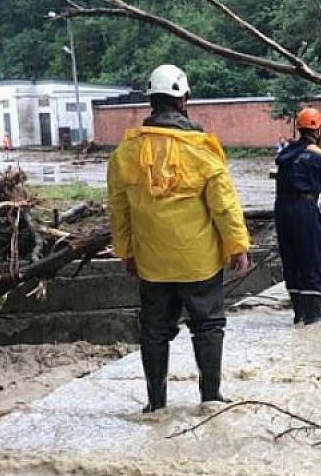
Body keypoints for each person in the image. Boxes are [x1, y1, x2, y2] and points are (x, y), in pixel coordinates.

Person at [106, 64, 251, 413]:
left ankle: (156, 405)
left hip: (152, 264)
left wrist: (126, 252)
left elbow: (118, 209)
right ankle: (211, 400)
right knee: (208, 326)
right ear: (183, 100)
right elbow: (224, 206)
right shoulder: (202, 150)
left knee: (154, 331)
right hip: (199, 263)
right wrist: (237, 246)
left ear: (151, 102)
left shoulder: (125, 153)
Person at [274, 107, 321, 324]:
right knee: (311, 257)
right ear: (318, 130)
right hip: (305, 208)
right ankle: (314, 314)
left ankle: (299, 312)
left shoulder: (284, 155)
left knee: (291, 258)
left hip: (282, 209)